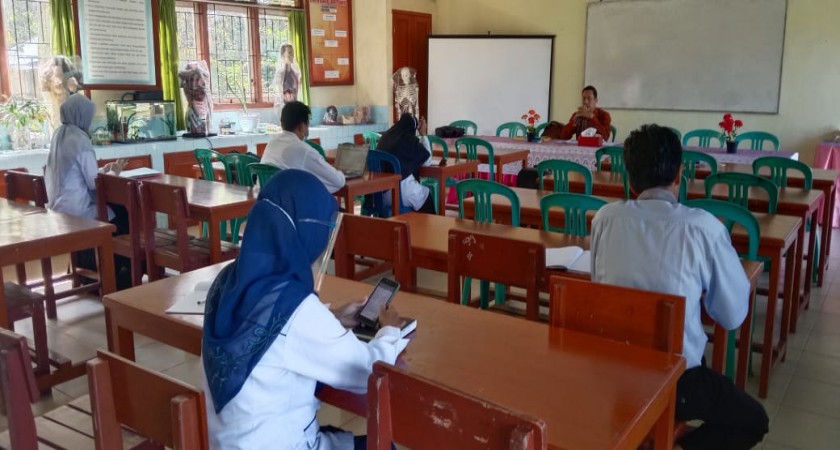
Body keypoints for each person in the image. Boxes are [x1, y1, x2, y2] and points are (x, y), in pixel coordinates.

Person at [589, 124, 769, 450]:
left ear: (630, 179)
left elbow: (598, 285)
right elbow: (731, 316)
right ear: (679, 174)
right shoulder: (702, 227)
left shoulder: (605, 218)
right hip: (673, 380)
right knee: (754, 420)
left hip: (611, 369)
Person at [201, 169, 407, 450]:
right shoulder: (297, 308)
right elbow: (366, 373)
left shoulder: (227, 281)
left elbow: (268, 330)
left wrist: (331, 318)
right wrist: (390, 331)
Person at [44, 93, 132, 289]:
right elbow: (94, 184)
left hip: (58, 207)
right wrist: (115, 172)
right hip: (78, 211)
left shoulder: (59, 134)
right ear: (81, 115)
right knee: (124, 216)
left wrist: (105, 170)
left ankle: (90, 272)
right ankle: (117, 274)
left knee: (117, 212)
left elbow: (78, 175)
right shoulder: (80, 139)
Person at [261, 101, 345, 193]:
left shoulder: (272, 143)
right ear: (302, 126)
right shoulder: (303, 150)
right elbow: (338, 181)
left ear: (282, 124)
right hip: (292, 200)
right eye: (308, 124)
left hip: (269, 198)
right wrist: (339, 172)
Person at [376, 113, 436, 214]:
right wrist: (423, 135)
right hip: (400, 193)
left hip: (380, 196)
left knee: (416, 192)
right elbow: (427, 161)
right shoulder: (409, 140)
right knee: (425, 196)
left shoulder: (384, 138)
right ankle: (429, 224)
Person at [273, 44, 302, 120]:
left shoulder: (296, 73)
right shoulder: (280, 73)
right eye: (289, 52)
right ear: (283, 56)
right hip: (284, 108)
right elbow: (280, 92)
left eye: (292, 52)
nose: (292, 55)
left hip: (294, 106)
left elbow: (297, 92)